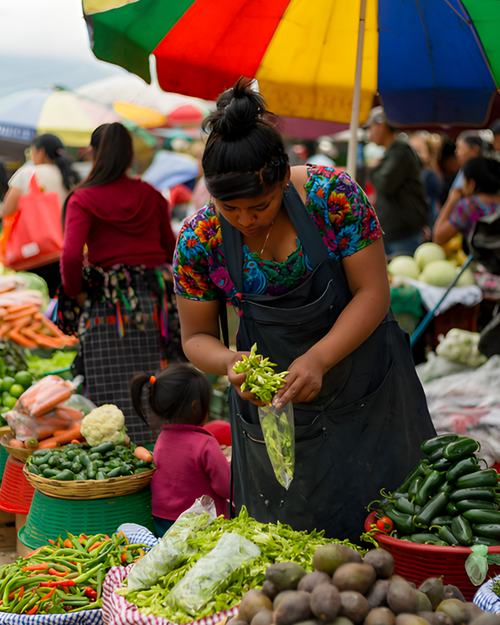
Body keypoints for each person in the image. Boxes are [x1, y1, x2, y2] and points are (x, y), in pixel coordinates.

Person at [173, 79, 435, 541]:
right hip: (279, 410)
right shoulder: (199, 240)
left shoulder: (332, 198)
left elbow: (373, 293)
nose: (246, 220)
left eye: (260, 205)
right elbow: (195, 338)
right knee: (294, 537)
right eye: (228, 208)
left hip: (370, 389)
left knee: (399, 519)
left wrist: (319, 357)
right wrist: (230, 363)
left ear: (283, 174)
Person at [60, 122, 181, 446]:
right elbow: (172, 250)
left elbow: (71, 257)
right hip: (155, 305)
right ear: (128, 154)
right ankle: (161, 457)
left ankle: (120, 469)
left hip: (108, 307)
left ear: (96, 153)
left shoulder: (82, 198)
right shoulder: (151, 195)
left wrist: (74, 292)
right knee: (153, 383)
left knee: (108, 388)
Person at [130, 363, 231, 536]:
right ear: (195, 406)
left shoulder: (162, 439)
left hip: (163, 522)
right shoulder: (205, 443)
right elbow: (226, 486)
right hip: (202, 524)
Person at [1, 134, 78, 296]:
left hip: (33, 250)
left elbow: (6, 211)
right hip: (64, 249)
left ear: (41, 152)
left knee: (34, 300)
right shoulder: (70, 176)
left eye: (32, 151)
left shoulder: (28, 174)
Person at [365, 107, 429, 256]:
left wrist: (374, 169)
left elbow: (384, 183)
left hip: (404, 234)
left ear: (381, 126)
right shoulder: (393, 152)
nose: (369, 133)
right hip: (395, 233)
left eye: (371, 128)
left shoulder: (401, 151)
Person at [433, 157, 500, 246]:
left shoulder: (469, 206)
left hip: (479, 258)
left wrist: (451, 200)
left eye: (463, 179)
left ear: (472, 184)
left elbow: (438, 237)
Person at [409, 132, 442, 227]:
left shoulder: (430, 177)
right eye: (410, 150)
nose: (413, 154)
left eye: (418, 150)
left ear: (428, 154)